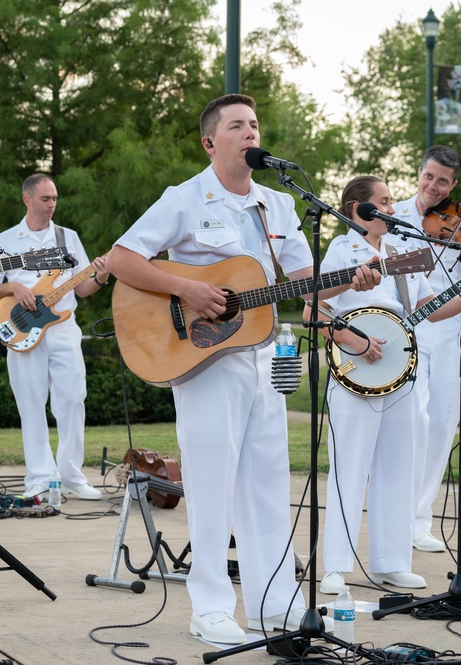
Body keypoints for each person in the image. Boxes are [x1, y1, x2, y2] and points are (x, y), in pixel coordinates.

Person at [106, 94, 377, 644]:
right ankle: (208, 607)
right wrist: (188, 287)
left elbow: (307, 282)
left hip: (265, 355)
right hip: (205, 360)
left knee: (268, 482)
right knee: (210, 482)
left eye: (254, 124)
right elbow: (120, 259)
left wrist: (352, 278)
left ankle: (274, 603)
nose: (250, 132)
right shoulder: (183, 199)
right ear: (211, 142)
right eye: (237, 126)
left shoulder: (277, 205)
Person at [312, 175, 461, 595]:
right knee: (349, 467)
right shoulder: (342, 248)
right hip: (357, 368)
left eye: (392, 202)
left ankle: (391, 562)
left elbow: (432, 308)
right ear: (360, 210)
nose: (393, 209)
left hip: (401, 366)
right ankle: (336, 566)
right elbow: (314, 310)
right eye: (385, 202)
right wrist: (352, 341)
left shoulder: (400, 252)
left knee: (398, 465)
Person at [391, 145, 461, 554]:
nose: (433, 187)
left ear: (455, 186)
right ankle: (398, 516)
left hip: (450, 329)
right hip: (408, 326)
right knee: (412, 422)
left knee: (442, 424)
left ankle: (421, 519)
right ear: (419, 173)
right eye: (428, 177)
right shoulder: (393, 215)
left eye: (443, 182)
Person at [0, 174, 108, 501]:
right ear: (27, 199)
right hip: (22, 328)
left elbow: (81, 286)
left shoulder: (68, 237)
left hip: (64, 327)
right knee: (31, 403)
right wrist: (13, 286)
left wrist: (102, 277)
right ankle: (39, 478)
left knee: (72, 399)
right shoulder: (5, 239)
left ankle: (70, 476)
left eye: (54, 199)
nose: (51, 205)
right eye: (45, 199)